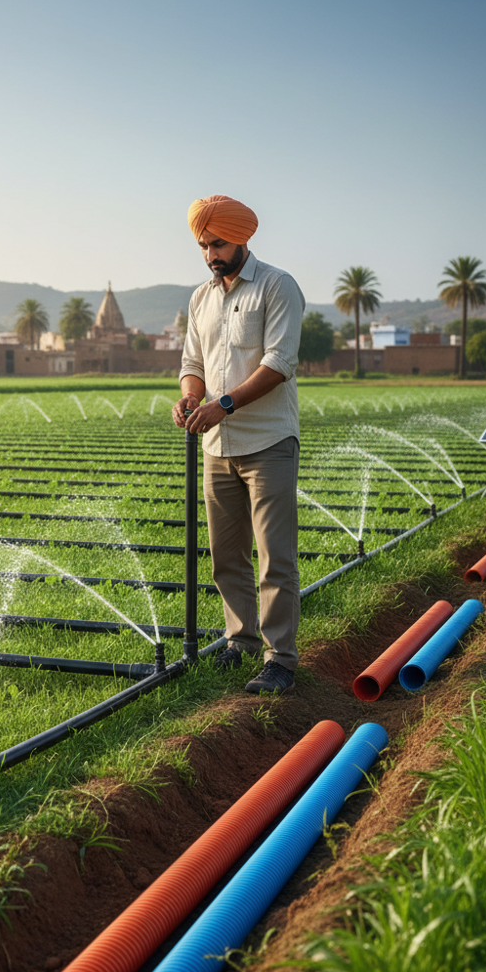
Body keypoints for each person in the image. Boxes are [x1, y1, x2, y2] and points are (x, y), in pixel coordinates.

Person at [172, 194, 304, 693]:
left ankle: (281, 659)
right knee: (227, 557)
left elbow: (279, 363)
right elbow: (193, 365)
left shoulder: (277, 286)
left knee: (275, 557)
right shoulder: (201, 298)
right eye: (204, 245)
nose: (211, 253)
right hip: (216, 448)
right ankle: (241, 642)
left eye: (218, 243)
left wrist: (222, 405)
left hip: (268, 441)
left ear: (243, 237)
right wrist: (189, 399)